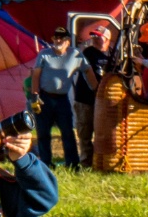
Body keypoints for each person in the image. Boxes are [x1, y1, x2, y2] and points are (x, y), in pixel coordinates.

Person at [29, 27, 97, 170]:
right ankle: (46, 164)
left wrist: (96, 89)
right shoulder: (44, 54)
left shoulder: (76, 54)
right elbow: (36, 75)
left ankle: (72, 164)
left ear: (67, 41)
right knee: (43, 133)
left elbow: (87, 70)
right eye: (55, 38)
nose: (57, 41)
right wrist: (34, 96)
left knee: (67, 133)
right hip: (44, 98)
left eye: (61, 38)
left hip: (62, 99)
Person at [73, 26, 111, 167]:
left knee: (103, 133)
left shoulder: (113, 55)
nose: (95, 39)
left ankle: (100, 162)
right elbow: (88, 73)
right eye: (93, 36)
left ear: (107, 38)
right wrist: (97, 90)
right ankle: (86, 164)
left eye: (98, 36)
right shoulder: (89, 52)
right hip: (86, 99)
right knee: (85, 132)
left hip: (104, 101)